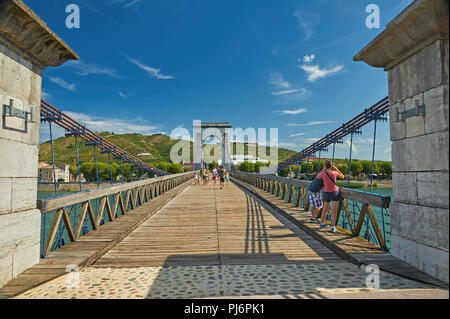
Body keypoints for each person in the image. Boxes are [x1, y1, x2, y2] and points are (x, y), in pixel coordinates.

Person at [318, 160, 345, 233]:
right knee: (334, 210)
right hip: (335, 192)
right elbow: (342, 176)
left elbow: (318, 176)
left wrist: (323, 169)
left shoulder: (323, 174)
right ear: (331, 166)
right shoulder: (335, 173)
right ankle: (333, 226)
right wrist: (336, 169)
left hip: (326, 192)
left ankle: (322, 223)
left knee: (325, 208)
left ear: (325, 166)